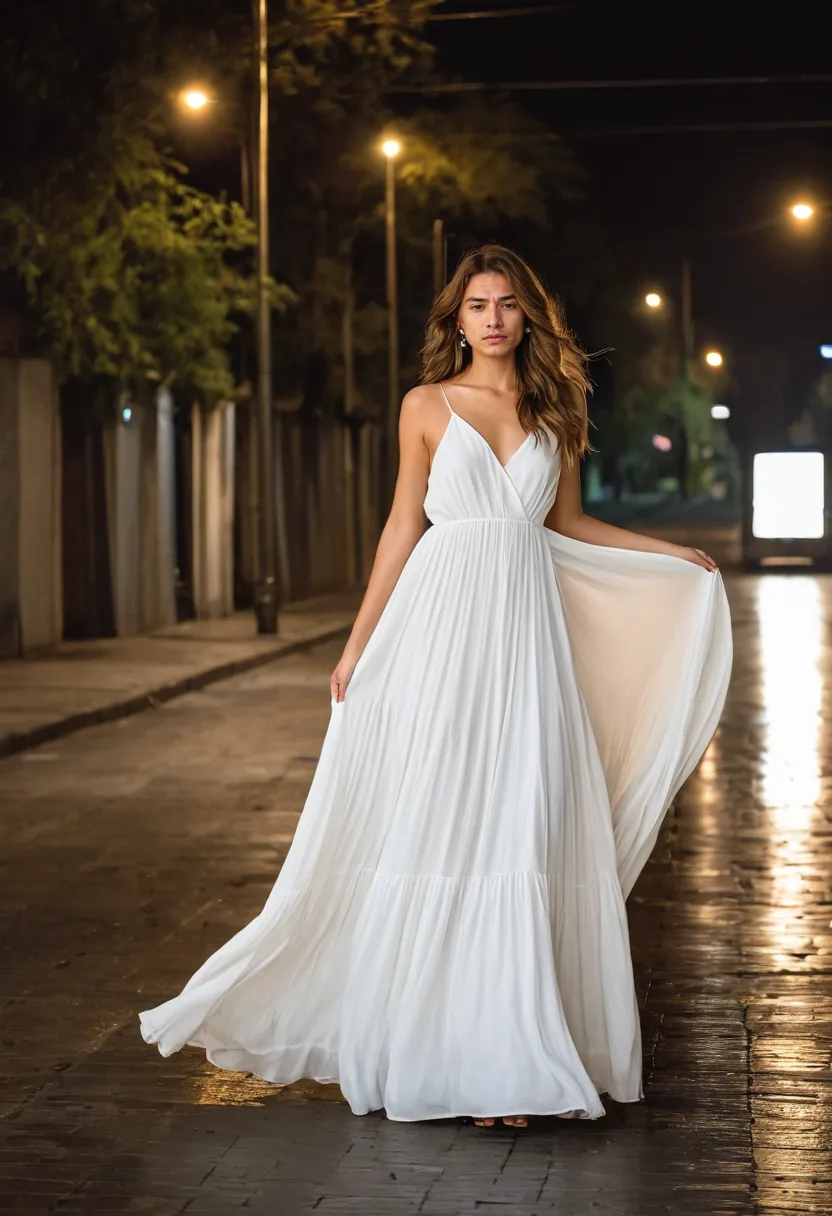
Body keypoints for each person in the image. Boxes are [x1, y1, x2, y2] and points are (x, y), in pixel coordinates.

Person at [140, 244, 732, 1129]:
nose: (493, 317)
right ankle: (447, 1052)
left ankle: (510, 1060)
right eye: (477, 304)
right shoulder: (424, 406)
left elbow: (568, 522)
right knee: (445, 823)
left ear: (527, 316)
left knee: (520, 829)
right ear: (456, 318)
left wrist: (670, 554)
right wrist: (357, 644)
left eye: (507, 304)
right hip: (443, 634)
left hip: (528, 646)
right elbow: (399, 528)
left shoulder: (557, 406)